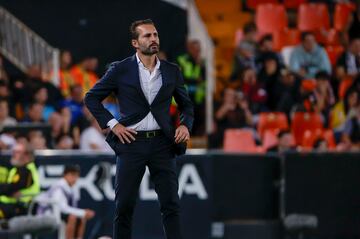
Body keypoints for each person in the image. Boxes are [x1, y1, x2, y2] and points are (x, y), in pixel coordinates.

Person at [84, 19, 194, 239]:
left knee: (171, 203)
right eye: (147, 36)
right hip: (131, 142)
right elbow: (91, 98)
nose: (153, 39)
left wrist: (184, 124)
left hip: (163, 143)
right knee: (124, 205)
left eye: (155, 35)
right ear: (135, 42)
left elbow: (186, 105)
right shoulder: (120, 69)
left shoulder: (172, 70)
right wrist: (113, 125)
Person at [37, 165, 95, 239]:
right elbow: (62, 208)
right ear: (65, 175)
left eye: (76, 176)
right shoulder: (59, 188)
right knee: (73, 217)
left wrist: (82, 214)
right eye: (72, 175)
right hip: (48, 214)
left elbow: (71, 207)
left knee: (81, 218)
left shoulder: (72, 188)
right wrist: (83, 212)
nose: (75, 178)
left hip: (59, 214)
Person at [0, 140, 40, 219]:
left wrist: (6, 190)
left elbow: (13, 187)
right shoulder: (15, 169)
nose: (13, 154)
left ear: (27, 156)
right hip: (7, 205)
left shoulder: (27, 170)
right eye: (14, 151)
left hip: (20, 207)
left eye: (17, 152)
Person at [177, 39, 206, 136]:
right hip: (184, 98)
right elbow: (179, 78)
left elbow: (203, 80)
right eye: (195, 50)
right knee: (184, 122)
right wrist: (195, 80)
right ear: (190, 49)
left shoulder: (201, 63)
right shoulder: (182, 60)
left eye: (199, 50)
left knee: (197, 123)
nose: (197, 52)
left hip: (197, 99)